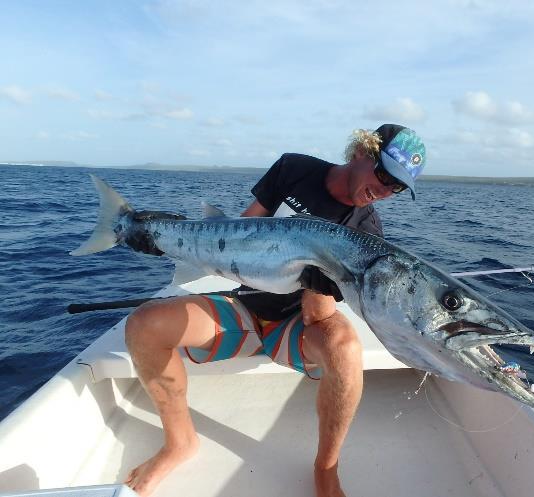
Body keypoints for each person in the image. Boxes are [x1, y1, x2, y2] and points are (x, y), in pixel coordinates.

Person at [123, 124, 427, 497]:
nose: (383, 191)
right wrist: (168, 240)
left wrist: (318, 284)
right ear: (362, 153)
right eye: (383, 175)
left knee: (346, 350)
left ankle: (325, 469)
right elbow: (239, 231)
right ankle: (179, 443)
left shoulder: (366, 233)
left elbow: (318, 317)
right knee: (143, 325)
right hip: (244, 304)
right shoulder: (294, 169)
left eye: (395, 188)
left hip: (297, 325)